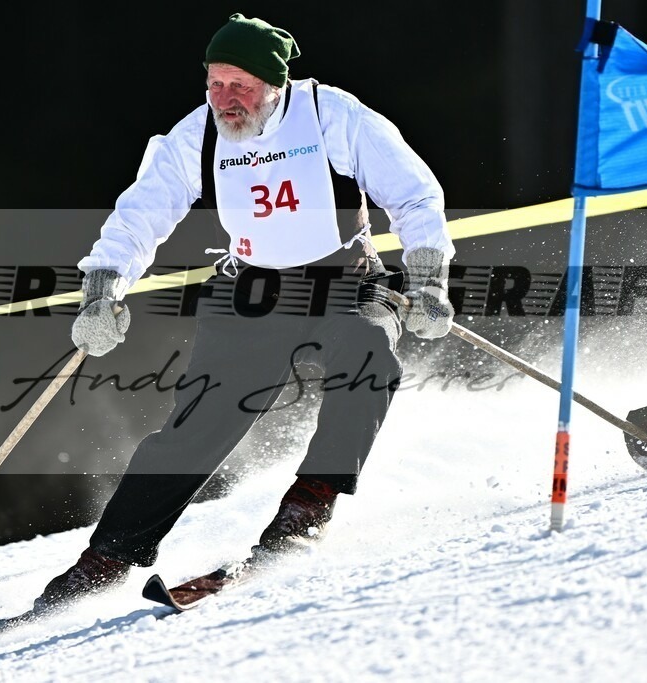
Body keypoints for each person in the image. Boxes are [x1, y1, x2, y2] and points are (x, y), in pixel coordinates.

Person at [34, 13, 455, 611]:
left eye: (241, 86)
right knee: (202, 421)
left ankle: (311, 499)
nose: (226, 100)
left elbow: (414, 193)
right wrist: (103, 290)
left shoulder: (331, 115)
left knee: (368, 355)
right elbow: (140, 215)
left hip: (345, 278)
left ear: (274, 86)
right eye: (215, 83)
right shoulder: (195, 136)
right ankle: (109, 556)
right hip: (253, 291)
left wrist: (430, 278)